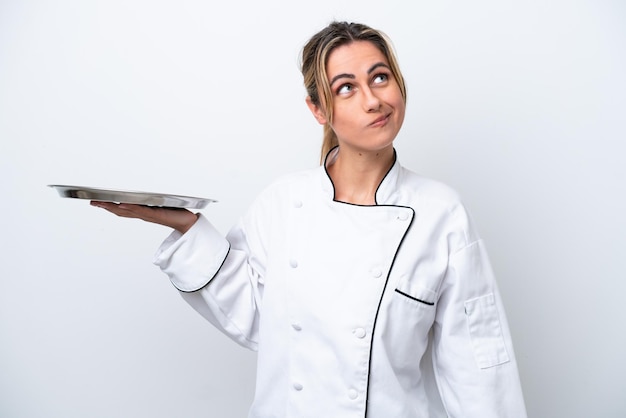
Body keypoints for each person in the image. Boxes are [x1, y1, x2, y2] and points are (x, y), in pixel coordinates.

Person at [91, 21, 527, 418]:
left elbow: (479, 365)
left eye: (380, 77)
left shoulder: (441, 213)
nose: (374, 100)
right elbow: (258, 320)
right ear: (319, 110)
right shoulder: (284, 201)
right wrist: (186, 226)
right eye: (346, 88)